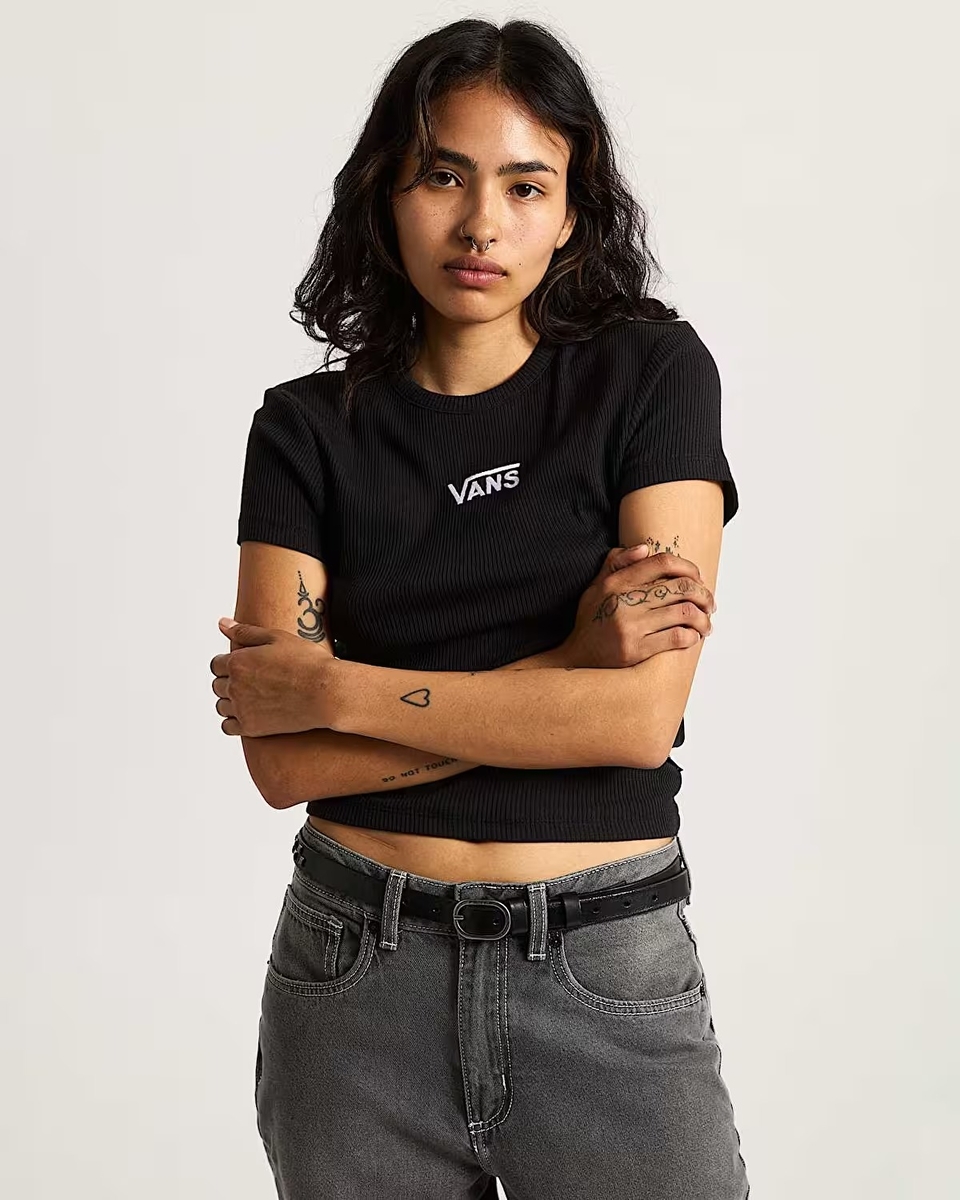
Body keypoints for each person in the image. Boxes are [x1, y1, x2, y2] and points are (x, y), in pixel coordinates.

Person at [211, 17, 749, 1199]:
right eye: (442, 175)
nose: (481, 224)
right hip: (354, 973)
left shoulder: (651, 376)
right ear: (385, 191)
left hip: (601, 961)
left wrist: (336, 688)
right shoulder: (304, 432)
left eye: (526, 185)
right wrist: (565, 666)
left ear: (572, 213)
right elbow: (284, 763)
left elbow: (631, 723)